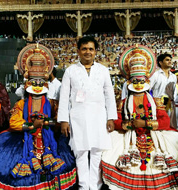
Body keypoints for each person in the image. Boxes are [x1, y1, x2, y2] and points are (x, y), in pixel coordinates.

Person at [0, 44, 77, 189]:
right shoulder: (22, 103)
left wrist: (47, 122)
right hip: (23, 139)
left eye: (40, 82)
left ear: (46, 84)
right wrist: (31, 126)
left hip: (48, 141)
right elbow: (14, 122)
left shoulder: (51, 103)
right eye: (34, 82)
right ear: (28, 83)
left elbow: (60, 120)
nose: (37, 86)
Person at [101, 45, 178, 190]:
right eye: (135, 81)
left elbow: (165, 121)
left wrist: (145, 123)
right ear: (129, 83)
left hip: (153, 137)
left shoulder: (155, 102)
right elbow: (116, 120)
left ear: (147, 82)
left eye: (141, 81)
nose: (138, 84)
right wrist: (129, 124)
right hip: (130, 137)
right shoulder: (123, 103)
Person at [57, 36, 117, 190]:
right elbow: (63, 97)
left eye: (91, 49)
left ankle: (96, 185)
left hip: (99, 115)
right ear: (78, 51)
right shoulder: (70, 70)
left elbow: (109, 95)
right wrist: (64, 120)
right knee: (81, 151)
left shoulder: (103, 70)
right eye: (84, 49)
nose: (87, 52)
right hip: (78, 116)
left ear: (95, 51)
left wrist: (111, 117)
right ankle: (84, 185)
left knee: (97, 150)